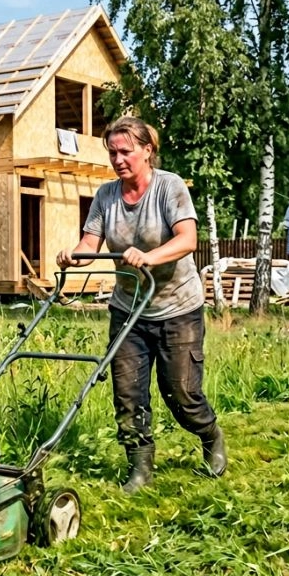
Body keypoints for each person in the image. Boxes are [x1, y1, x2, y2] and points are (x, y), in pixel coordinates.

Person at [57, 116, 226, 493]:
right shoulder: (106, 195)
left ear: (148, 150)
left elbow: (187, 240)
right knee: (128, 394)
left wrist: (149, 257)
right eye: (112, 153)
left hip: (177, 308)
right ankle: (140, 467)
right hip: (128, 309)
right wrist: (73, 256)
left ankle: (210, 436)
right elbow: (90, 244)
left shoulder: (170, 186)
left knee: (182, 394)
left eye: (126, 151)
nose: (118, 160)